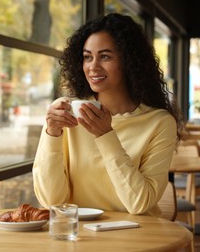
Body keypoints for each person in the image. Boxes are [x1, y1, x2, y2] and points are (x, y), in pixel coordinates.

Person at [32, 13, 183, 216]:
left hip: (137, 238)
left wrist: (106, 136)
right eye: (87, 57)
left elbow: (139, 203)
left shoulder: (160, 123)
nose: (93, 67)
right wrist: (51, 134)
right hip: (77, 237)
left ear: (128, 61)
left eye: (105, 56)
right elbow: (51, 201)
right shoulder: (67, 114)